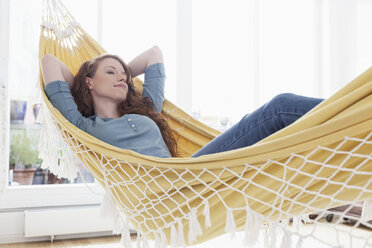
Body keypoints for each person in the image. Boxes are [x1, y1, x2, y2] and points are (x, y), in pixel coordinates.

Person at [41, 46, 323, 159]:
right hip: (174, 188)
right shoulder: (83, 126)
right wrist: (85, 75)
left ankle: (355, 115)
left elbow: (154, 54)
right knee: (278, 107)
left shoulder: (146, 107)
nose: (123, 78)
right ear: (88, 82)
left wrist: (117, 69)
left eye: (125, 75)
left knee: (278, 117)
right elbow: (50, 63)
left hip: (188, 174)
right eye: (111, 73)